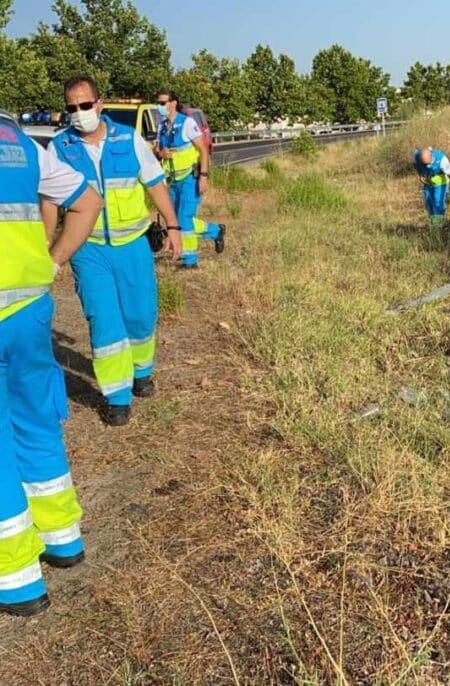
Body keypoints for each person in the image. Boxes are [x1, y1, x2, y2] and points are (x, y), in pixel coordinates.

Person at [0, 109, 103, 617]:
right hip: (27, 307)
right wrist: (53, 262)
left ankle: (16, 581)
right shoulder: (18, 142)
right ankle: (63, 539)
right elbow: (87, 201)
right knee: (37, 422)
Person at [48, 76, 183, 427]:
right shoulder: (60, 148)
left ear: (99, 104)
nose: (78, 113)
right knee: (104, 320)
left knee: (140, 316)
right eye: (71, 107)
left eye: (84, 105)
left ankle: (142, 372)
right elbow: (48, 201)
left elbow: (155, 184)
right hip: (88, 249)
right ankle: (117, 396)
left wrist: (173, 227)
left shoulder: (129, 139)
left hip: (133, 245)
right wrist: (50, 248)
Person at [154, 89, 225, 269]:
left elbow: (202, 149)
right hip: (172, 180)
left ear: (173, 103)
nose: (159, 106)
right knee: (177, 220)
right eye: (158, 103)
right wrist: (161, 153)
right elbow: (156, 149)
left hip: (189, 178)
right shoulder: (162, 126)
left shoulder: (187, 123)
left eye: (162, 103)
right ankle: (216, 230)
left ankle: (190, 260)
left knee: (184, 217)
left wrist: (203, 176)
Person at [412, 147, 450, 228]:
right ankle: (434, 224)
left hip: (441, 183)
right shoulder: (416, 156)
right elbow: (415, 164)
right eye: (424, 164)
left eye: (428, 163)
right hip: (428, 184)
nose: (427, 165)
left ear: (431, 156)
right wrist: (420, 174)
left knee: (438, 205)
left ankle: (437, 228)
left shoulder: (442, 159)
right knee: (430, 205)